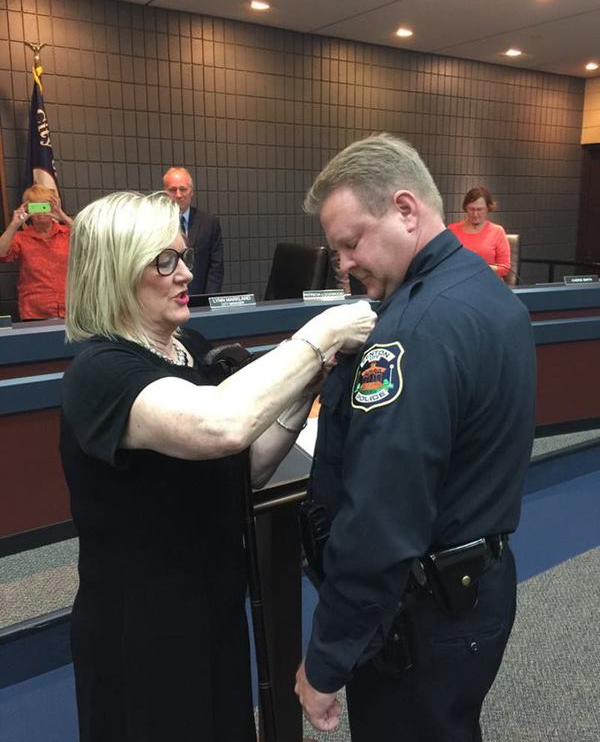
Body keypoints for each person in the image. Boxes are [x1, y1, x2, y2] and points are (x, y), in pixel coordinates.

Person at [60, 190, 376, 742]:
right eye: (165, 260)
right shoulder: (99, 372)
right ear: (116, 271)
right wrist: (318, 334)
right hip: (144, 628)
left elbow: (245, 462)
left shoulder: (189, 344)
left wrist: (306, 386)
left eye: (181, 256)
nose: (185, 273)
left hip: (212, 604)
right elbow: (221, 425)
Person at [294, 134, 536, 741]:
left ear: (406, 210)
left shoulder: (413, 331)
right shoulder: (488, 294)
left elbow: (380, 519)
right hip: (478, 587)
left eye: (350, 243)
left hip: (422, 612)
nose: (343, 264)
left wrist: (326, 660)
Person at [0, 184, 72, 320]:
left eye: (45, 206)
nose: (41, 213)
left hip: (72, 309)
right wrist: (14, 225)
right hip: (35, 312)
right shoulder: (20, 238)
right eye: (35, 207)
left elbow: (90, 242)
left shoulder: (67, 233)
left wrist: (63, 216)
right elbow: (1, 254)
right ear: (27, 209)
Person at [162, 166, 224, 293]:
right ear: (165, 193)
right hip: (168, 298)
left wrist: (209, 301)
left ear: (191, 192)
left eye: (183, 189)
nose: (178, 195)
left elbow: (216, 267)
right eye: (173, 190)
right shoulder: (155, 223)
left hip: (200, 299)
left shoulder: (209, 223)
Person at [447, 186, 511, 279]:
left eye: (480, 210)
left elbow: (505, 268)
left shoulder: (497, 231)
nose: (475, 214)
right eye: (471, 209)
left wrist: (483, 268)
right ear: (465, 208)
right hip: (459, 282)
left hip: (487, 283)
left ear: (488, 208)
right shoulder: (452, 230)